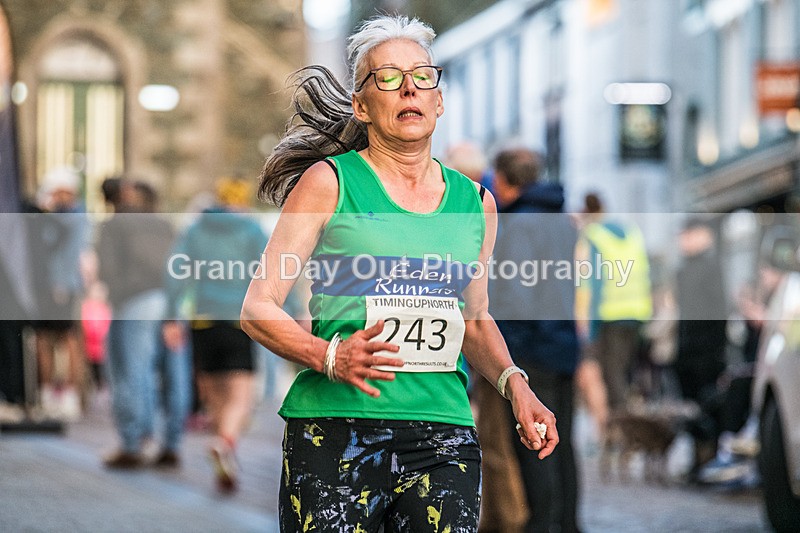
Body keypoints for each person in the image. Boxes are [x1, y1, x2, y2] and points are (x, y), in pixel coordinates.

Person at [240, 15, 558, 532]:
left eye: (422, 76)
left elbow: (474, 321)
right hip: (337, 430)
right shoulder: (329, 183)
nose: (408, 87)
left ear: (439, 99)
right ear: (362, 106)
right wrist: (330, 355)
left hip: (442, 436)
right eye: (387, 77)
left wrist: (515, 385)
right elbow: (257, 308)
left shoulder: (476, 204)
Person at [490, 148, 582, 533]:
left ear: (506, 181)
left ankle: (542, 524)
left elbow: (517, 293)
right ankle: (568, 522)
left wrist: (506, 349)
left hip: (532, 347)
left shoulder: (519, 224)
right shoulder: (562, 220)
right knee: (563, 442)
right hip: (563, 344)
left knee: (535, 440)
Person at [164, 176, 269, 492]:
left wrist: (171, 315)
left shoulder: (196, 229)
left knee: (215, 396)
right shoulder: (252, 231)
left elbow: (176, 270)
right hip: (240, 321)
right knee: (241, 395)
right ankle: (225, 442)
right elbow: (273, 271)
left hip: (202, 322)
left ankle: (226, 452)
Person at [97, 178, 190, 468]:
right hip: (171, 301)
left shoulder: (112, 226)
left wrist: (115, 292)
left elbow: (107, 270)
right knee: (174, 373)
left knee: (130, 372)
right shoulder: (164, 224)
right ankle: (171, 443)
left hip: (134, 302)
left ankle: (133, 442)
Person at [578, 192, 653, 412]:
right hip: (638, 313)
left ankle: (623, 433)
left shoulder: (592, 235)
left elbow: (592, 282)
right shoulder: (631, 232)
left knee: (612, 377)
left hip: (609, 315)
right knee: (626, 374)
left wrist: (588, 326)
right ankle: (628, 426)